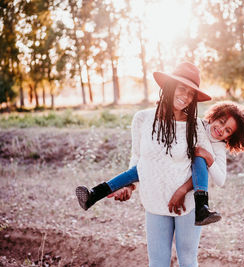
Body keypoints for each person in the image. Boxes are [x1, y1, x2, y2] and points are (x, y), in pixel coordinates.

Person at [79, 62, 213, 266]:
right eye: (181, 89)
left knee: (187, 260)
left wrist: (181, 191)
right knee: (157, 262)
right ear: (169, 86)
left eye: (191, 94)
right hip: (154, 200)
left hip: (187, 202)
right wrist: (129, 186)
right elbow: (138, 160)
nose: (185, 97)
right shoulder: (142, 119)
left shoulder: (196, 126)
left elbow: (202, 165)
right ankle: (95, 194)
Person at [76, 101, 244, 226]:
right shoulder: (196, 124)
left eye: (228, 130)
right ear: (213, 116)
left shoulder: (218, 146)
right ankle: (94, 195)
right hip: (164, 169)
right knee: (139, 169)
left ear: (231, 136)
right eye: (221, 122)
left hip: (188, 183)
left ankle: (202, 207)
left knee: (198, 158)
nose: (221, 129)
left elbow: (221, 180)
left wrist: (209, 157)